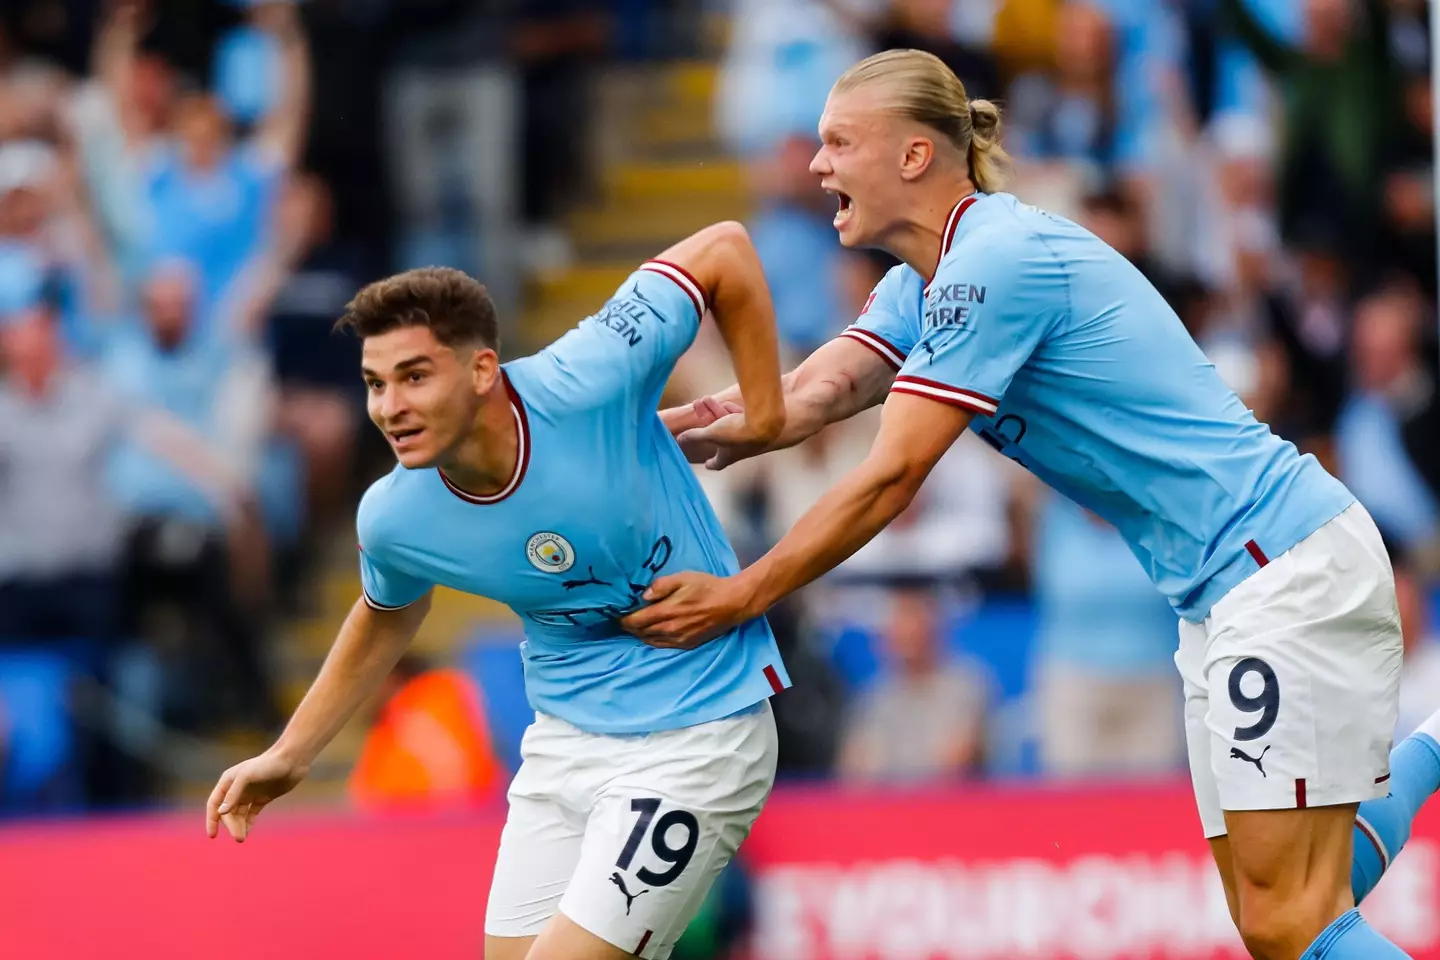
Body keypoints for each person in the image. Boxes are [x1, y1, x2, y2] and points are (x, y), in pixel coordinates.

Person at [624, 49, 1439, 959]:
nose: (816, 164)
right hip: (1230, 586)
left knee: (1294, 920)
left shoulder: (992, 265)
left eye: (837, 141)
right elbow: (809, 396)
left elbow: (892, 476)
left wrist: (745, 594)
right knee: (1275, 917)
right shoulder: (924, 282)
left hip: (1277, 569)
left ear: (913, 157)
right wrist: (656, 436)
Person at [205, 221, 792, 960]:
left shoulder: (589, 373)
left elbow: (724, 249)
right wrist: (290, 754)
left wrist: (767, 415)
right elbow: (385, 612)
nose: (390, 407)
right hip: (565, 746)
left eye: (415, 376)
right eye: (374, 384)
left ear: (483, 369)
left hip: (700, 729)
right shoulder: (395, 515)